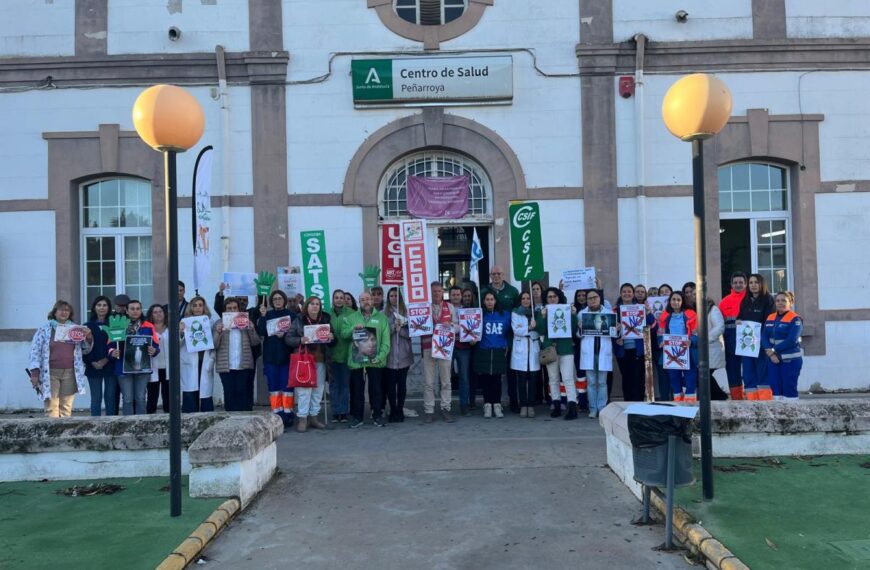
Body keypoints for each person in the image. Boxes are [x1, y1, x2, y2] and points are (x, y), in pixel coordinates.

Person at [29, 300, 94, 417]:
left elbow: (85, 350)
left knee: (66, 408)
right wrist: (35, 372)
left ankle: (64, 429)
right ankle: (52, 429)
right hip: (50, 373)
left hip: (70, 372)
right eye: (61, 310)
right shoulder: (44, 329)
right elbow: (35, 351)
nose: (64, 312)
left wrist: (88, 338)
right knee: (51, 407)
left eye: (67, 310)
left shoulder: (76, 329)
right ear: (55, 312)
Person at [340, 291, 390, 428]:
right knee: (357, 391)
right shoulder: (351, 318)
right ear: (359, 302)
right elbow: (343, 334)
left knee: (376, 390)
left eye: (368, 299)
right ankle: (357, 417)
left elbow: (386, 342)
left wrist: (380, 357)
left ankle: (377, 416)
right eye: (363, 299)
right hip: (357, 361)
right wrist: (353, 329)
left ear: (372, 301)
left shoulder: (382, 318)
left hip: (375, 361)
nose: (366, 302)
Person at [286, 296, 334, 432]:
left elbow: (333, 339)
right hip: (304, 360)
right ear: (307, 306)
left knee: (318, 390)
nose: (315, 306)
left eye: (317, 304)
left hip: (321, 360)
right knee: (304, 390)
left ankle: (314, 417)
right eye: (312, 304)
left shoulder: (325, 319)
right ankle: (303, 418)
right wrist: (300, 340)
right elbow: (288, 338)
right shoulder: (299, 320)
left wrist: (332, 337)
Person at [109, 299, 160, 415]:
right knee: (127, 399)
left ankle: (141, 424)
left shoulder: (148, 326)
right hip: (123, 367)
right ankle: (128, 424)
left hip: (143, 367)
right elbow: (110, 345)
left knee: (141, 398)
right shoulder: (118, 325)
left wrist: (154, 350)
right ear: (127, 311)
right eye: (132, 309)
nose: (135, 311)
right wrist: (112, 352)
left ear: (141, 310)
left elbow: (156, 345)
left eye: (138, 309)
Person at [480, 266, 520, 413]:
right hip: (488, 341)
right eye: (493, 274)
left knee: (510, 373)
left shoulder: (512, 291)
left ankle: (513, 401)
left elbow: (518, 312)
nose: (496, 276)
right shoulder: (483, 291)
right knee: (490, 374)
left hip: (508, 340)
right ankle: (489, 403)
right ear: (490, 275)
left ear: (503, 274)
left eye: (499, 273)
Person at [538, 288, 580, 419]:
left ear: (559, 297)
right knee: (553, 378)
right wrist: (543, 317)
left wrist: (573, 315)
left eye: (554, 296)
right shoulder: (543, 311)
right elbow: (540, 330)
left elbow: (573, 329)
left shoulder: (567, 309)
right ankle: (556, 405)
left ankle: (572, 406)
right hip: (550, 350)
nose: (552, 299)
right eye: (549, 297)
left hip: (566, 348)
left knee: (568, 378)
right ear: (546, 299)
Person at [421, 281, 459, 423]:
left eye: (439, 291)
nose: (436, 293)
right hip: (428, 346)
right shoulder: (424, 307)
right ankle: (429, 410)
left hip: (444, 347)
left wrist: (451, 325)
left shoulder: (449, 307)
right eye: (434, 291)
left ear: (442, 292)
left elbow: (458, 326)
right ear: (430, 293)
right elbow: (415, 325)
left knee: (446, 381)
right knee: (428, 382)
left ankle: (446, 408)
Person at [214, 298, 261, 412]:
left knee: (242, 391)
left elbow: (255, 342)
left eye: (234, 308)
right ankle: (230, 418)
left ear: (239, 309)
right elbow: (214, 345)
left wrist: (252, 329)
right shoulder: (219, 323)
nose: (232, 310)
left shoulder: (245, 322)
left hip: (243, 364)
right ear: (225, 310)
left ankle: (243, 417)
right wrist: (218, 332)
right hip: (225, 365)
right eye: (229, 308)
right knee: (229, 392)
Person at [256, 290, 295, 425]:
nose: (278, 301)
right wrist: (262, 316)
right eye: (275, 299)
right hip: (270, 358)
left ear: (284, 300)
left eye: (280, 298)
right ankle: (277, 414)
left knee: (287, 388)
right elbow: (261, 331)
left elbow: (296, 333)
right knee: (274, 388)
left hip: (287, 357)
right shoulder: (268, 315)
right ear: (272, 302)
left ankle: (288, 414)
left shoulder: (291, 315)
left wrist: (285, 335)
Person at [738, 273, 775, 400]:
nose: (753, 285)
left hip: (761, 342)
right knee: (748, 373)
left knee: (762, 372)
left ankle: (765, 402)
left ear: (761, 284)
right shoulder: (745, 300)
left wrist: (763, 340)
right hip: (746, 343)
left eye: (756, 282)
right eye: (751, 282)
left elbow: (769, 322)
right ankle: (751, 401)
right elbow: (740, 316)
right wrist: (738, 321)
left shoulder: (768, 300)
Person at [473, 291, 510, 418]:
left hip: (499, 350)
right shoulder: (480, 315)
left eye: (492, 299)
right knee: (485, 379)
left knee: (497, 379)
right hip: (484, 350)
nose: (489, 302)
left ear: (495, 301)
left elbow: (510, 331)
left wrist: (507, 345)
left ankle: (497, 404)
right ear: (483, 301)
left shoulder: (505, 315)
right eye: (487, 299)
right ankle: (487, 404)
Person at [577, 290, 613, 418]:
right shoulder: (582, 314)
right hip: (589, 353)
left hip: (603, 352)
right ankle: (592, 409)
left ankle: (601, 408)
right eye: (589, 298)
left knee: (602, 382)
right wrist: (580, 328)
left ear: (599, 298)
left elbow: (614, 334)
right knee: (591, 382)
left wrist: (616, 329)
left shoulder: (609, 313)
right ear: (587, 300)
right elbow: (578, 335)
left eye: (595, 297)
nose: (592, 300)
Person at [658, 291, 699, 403]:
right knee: (674, 381)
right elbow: (660, 333)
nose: (675, 302)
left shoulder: (691, 315)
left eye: (678, 300)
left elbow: (696, 333)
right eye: (673, 299)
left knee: (690, 381)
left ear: (682, 302)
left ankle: (690, 406)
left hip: (688, 352)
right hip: (671, 353)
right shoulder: (664, 316)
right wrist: (661, 342)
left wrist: (691, 341)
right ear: (670, 301)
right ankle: (678, 406)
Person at [762, 291, 803, 401]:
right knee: (775, 390)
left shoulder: (795, 319)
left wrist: (773, 350)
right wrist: (771, 354)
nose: (780, 303)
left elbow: (791, 340)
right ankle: (779, 412)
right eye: (778, 300)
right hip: (773, 359)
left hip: (790, 360)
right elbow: (764, 337)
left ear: (791, 303)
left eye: (784, 300)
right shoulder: (770, 317)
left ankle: (792, 411)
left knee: (789, 389)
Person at [179, 296, 216, 413]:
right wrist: (180, 332)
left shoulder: (210, 322)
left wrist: (212, 357)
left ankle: (207, 416)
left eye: (200, 305)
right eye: (195, 305)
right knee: (190, 390)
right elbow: (177, 344)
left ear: (204, 307)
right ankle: (189, 416)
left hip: (205, 361)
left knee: (205, 392)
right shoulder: (184, 322)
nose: (197, 308)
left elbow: (215, 341)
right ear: (191, 307)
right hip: (189, 362)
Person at [84, 295, 117, 416]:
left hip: (110, 365)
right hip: (93, 366)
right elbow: (82, 348)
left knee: (110, 397)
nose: (102, 308)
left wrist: (107, 359)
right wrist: (92, 361)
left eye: (105, 305)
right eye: (99, 305)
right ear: (94, 307)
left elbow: (117, 344)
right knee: (96, 398)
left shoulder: (114, 325)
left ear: (109, 308)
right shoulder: (86, 326)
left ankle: (111, 424)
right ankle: (95, 424)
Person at [614, 283, 646, 403]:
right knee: (626, 378)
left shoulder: (641, 308)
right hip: (622, 350)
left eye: (629, 291)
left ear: (633, 294)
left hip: (638, 350)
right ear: (620, 294)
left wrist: (648, 313)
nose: (626, 294)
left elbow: (652, 326)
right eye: (624, 291)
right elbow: (609, 331)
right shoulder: (615, 310)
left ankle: (638, 404)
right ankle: (627, 403)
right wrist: (616, 334)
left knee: (639, 378)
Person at [384, 287, 412, 422]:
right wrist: (392, 328)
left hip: (404, 354)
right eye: (391, 296)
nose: (394, 298)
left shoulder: (407, 312)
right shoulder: (383, 314)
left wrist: (401, 331)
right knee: (390, 386)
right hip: (389, 355)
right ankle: (393, 409)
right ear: (388, 298)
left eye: (396, 295)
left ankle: (400, 409)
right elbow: (381, 334)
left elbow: (412, 333)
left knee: (401, 385)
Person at [511, 291, 540, 418]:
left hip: (533, 346)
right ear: (520, 300)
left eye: (528, 298)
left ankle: (531, 405)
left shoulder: (536, 313)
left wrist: (529, 329)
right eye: (523, 298)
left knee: (533, 379)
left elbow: (539, 330)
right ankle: (523, 405)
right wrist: (529, 328)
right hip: (521, 347)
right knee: (521, 380)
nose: (526, 300)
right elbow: (516, 330)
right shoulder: (515, 313)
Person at [719, 272, 747, 399]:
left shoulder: (751, 300)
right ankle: (737, 400)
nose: (738, 285)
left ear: (745, 284)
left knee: (749, 371)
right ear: (731, 284)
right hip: (730, 342)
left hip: (749, 341)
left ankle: (753, 399)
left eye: (741, 282)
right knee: (732, 372)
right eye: (735, 282)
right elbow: (720, 324)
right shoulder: (724, 302)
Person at [328, 289, 352, 423]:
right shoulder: (327, 314)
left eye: (341, 297)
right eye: (336, 297)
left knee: (344, 384)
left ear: (344, 299)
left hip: (346, 353)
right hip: (331, 354)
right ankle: (335, 412)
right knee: (334, 384)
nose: (339, 300)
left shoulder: (351, 313)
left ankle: (344, 412)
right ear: (333, 299)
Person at [449, 285, 472, 416]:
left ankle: (464, 405)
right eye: (453, 295)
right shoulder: (445, 309)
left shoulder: (467, 310)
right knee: (446, 377)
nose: (456, 297)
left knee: (464, 377)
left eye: (458, 294)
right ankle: (446, 406)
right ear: (449, 296)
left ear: (461, 296)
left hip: (464, 347)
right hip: (448, 346)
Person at [145, 304, 171, 414]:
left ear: (164, 313)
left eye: (160, 311)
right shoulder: (147, 329)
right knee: (152, 397)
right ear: (151, 315)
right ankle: (150, 419)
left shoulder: (171, 328)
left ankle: (169, 419)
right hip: (153, 367)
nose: (158, 314)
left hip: (168, 367)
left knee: (168, 397)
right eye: (155, 312)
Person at [652, 283, 674, 400]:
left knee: (675, 377)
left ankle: (676, 400)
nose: (664, 293)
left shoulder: (678, 310)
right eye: (661, 291)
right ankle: (665, 400)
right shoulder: (654, 309)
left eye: (667, 291)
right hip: (660, 347)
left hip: (676, 347)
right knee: (662, 376)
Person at [706, 298, 729, 401]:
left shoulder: (712, 309)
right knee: (703, 375)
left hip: (711, 348)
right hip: (700, 349)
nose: (691, 296)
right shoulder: (693, 309)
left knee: (704, 374)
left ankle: (720, 396)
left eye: (694, 293)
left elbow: (719, 327)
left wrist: (705, 339)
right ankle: (716, 397)